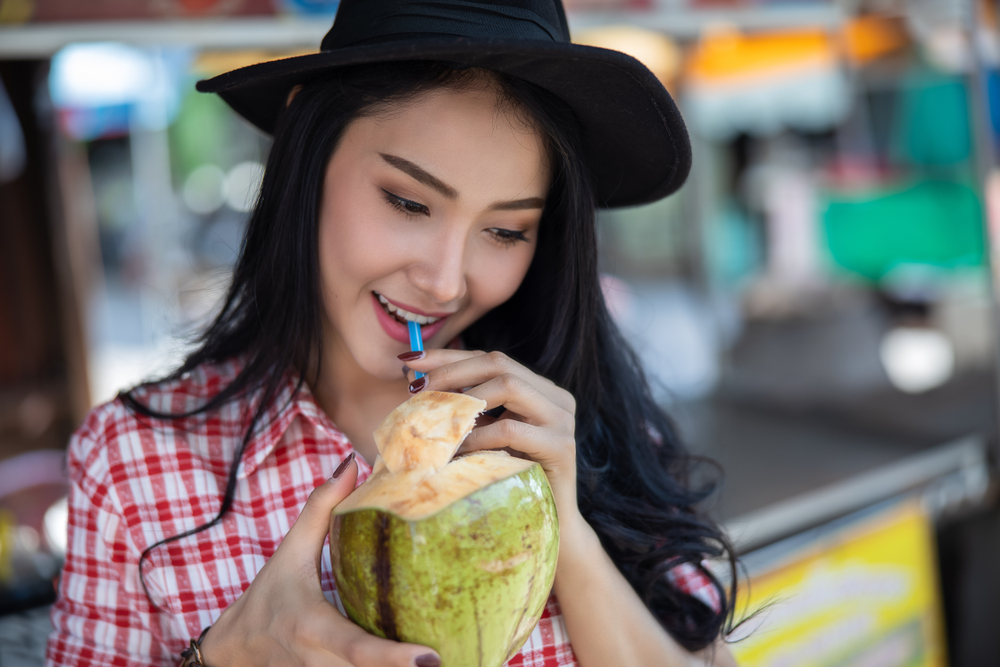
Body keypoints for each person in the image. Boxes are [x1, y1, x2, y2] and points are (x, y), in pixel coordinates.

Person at [46, 1, 740, 666]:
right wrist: (218, 659)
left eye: (505, 230)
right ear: (305, 150)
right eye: (408, 201)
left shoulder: (572, 424)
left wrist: (573, 536)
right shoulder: (132, 463)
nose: (444, 281)